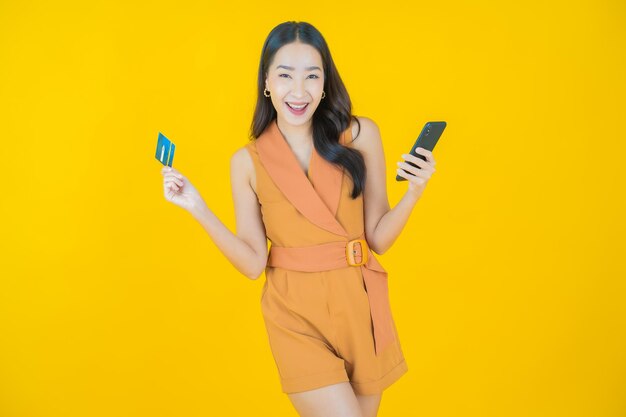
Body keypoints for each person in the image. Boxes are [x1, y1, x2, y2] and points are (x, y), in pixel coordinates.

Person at [160, 21, 436, 417]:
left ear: (325, 83)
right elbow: (254, 262)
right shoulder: (248, 162)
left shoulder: (359, 135)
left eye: (312, 75)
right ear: (267, 82)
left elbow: (379, 237)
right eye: (285, 75)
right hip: (294, 315)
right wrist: (197, 207)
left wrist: (415, 191)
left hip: (360, 306)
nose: (299, 90)